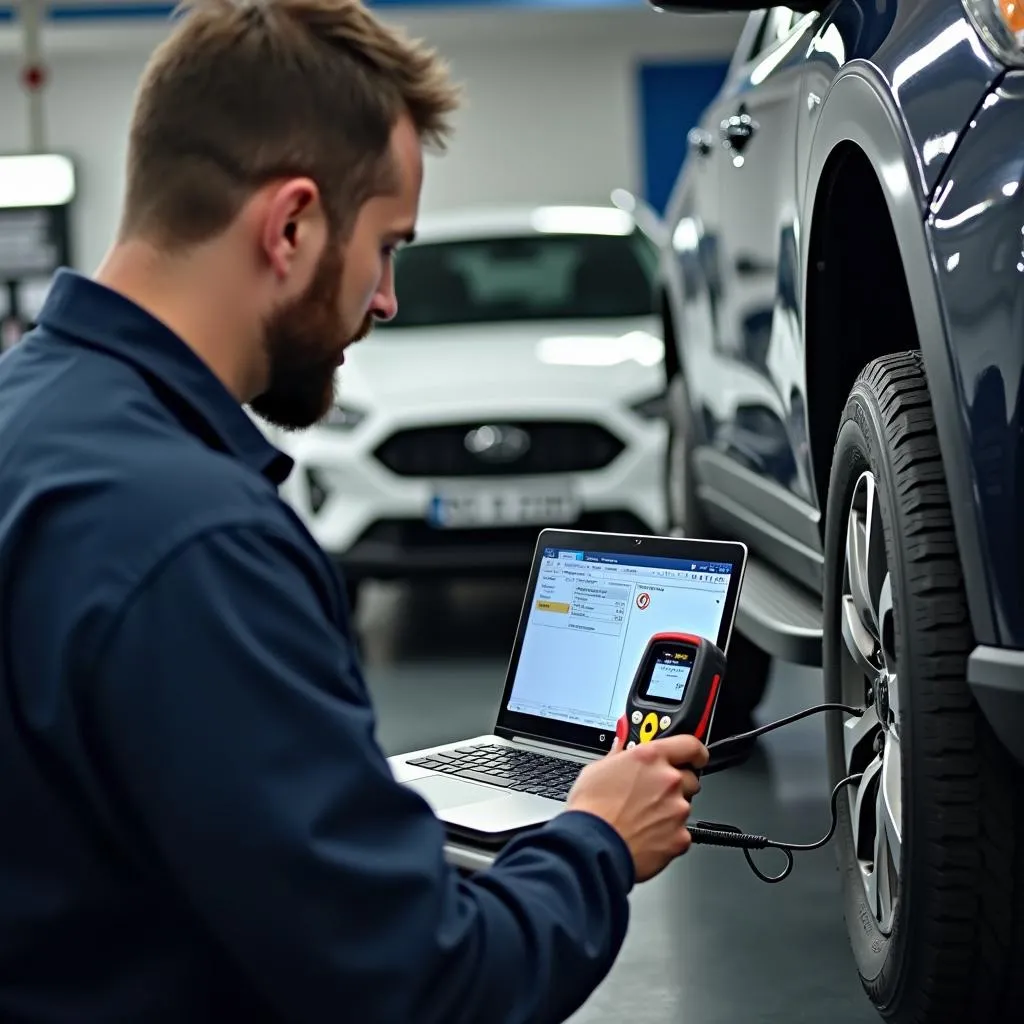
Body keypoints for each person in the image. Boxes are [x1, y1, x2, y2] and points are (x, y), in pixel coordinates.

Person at [0, 1, 709, 1021]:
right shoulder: (197, 538)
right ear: (290, 225)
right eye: (386, 248)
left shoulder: (29, 417)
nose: (385, 301)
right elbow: (428, 988)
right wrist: (595, 839)